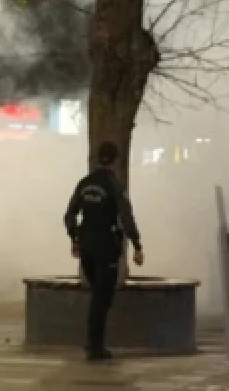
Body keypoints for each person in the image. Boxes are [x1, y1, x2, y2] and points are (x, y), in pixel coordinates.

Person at [63, 141, 144, 361]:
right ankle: (94, 346)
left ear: (98, 158)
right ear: (116, 160)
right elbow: (126, 217)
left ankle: (94, 344)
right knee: (102, 297)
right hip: (106, 247)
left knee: (97, 295)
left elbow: (69, 215)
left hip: (87, 247)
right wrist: (137, 244)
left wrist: (75, 237)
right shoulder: (114, 185)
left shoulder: (84, 184)